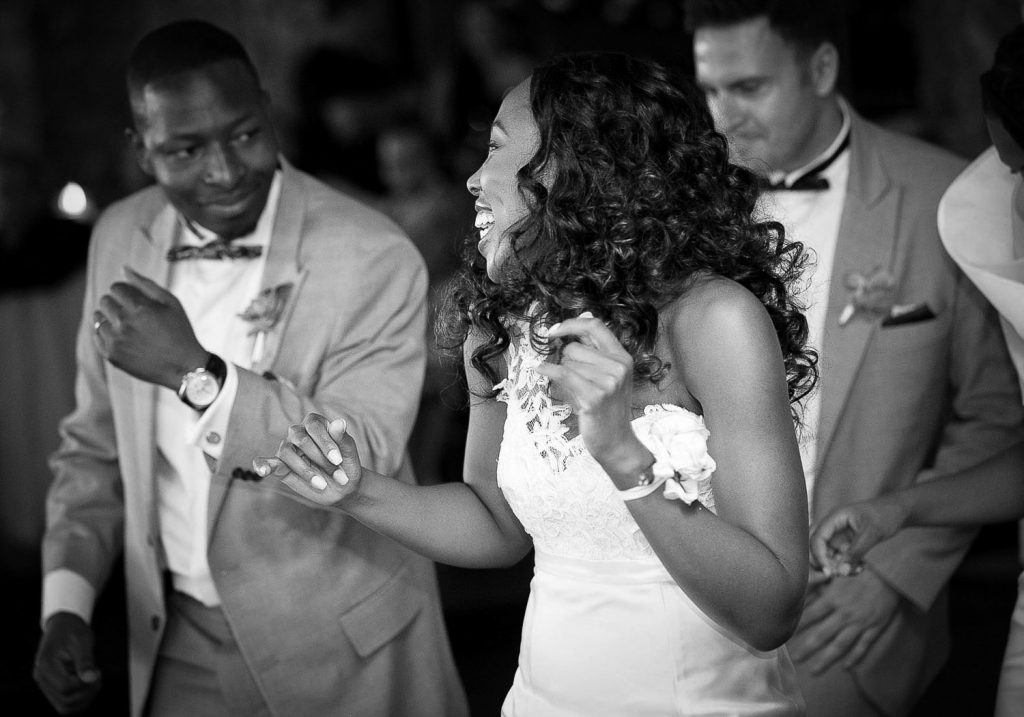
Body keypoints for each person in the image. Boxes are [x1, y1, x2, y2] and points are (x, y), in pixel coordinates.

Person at [256, 51, 815, 716]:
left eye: (494, 148)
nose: (472, 178)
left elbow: (772, 609)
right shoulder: (498, 329)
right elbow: (496, 521)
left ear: (571, 167)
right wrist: (356, 491)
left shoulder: (714, 320)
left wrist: (622, 455)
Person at [33, 20, 467, 717]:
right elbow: (93, 447)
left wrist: (196, 374)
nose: (226, 171)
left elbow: (359, 457)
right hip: (175, 640)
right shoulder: (118, 236)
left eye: (243, 133)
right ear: (140, 151)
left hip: (342, 645)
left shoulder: (371, 252)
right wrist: (67, 602)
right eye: (185, 149)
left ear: (269, 112)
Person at [683, 2, 1024, 715]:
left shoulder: (947, 198)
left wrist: (895, 575)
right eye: (711, 91)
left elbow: (996, 420)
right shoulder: (683, 208)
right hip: (693, 609)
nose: (724, 119)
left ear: (822, 68)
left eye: (748, 88)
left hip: (854, 621)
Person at [811, 22, 1024, 717]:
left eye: (1022, 167)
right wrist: (895, 511)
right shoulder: (986, 212)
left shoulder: (929, 193)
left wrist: (898, 569)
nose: (1014, 195)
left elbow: (989, 416)